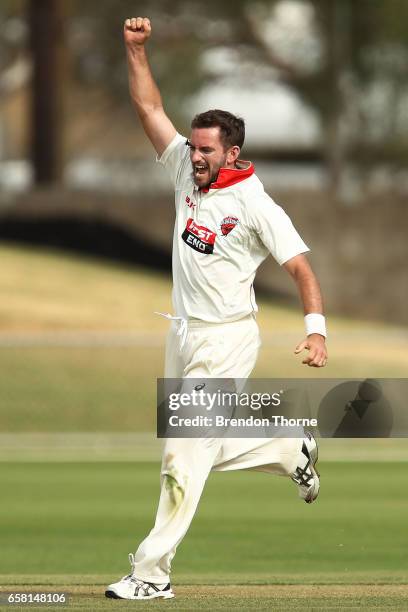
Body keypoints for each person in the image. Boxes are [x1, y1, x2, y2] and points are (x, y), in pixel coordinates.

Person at [105, 16, 328, 601]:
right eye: (193, 147)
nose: (194, 156)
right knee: (191, 444)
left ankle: (151, 575)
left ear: (233, 151)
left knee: (182, 456)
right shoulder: (183, 167)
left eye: (206, 150)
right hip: (181, 334)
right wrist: (136, 51)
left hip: (226, 340)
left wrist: (316, 330)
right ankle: (286, 447)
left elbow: (301, 267)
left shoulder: (255, 204)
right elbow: (150, 110)